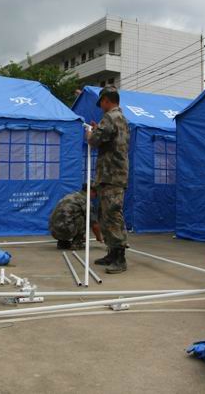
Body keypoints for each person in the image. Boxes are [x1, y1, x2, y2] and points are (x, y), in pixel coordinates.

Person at [86, 86, 130, 274]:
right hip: (112, 175)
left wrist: (90, 134)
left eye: (102, 102)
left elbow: (94, 140)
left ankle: (119, 258)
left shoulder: (110, 117)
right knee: (107, 215)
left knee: (112, 215)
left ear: (106, 100)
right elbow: (107, 138)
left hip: (112, 175)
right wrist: (98, 132)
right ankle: (112, 253)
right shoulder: (121, 119)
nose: (101, 106)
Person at [49, 183, 102, 250]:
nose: (95, 197)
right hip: (65, 230)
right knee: (86, 218)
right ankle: (77, 244)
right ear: (91, 191)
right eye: (96, 194)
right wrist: (99, 237)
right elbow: (94, 224)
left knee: (69, 218)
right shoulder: (85, 201)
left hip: (53, 231)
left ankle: (63, 243)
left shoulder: (71, 195)